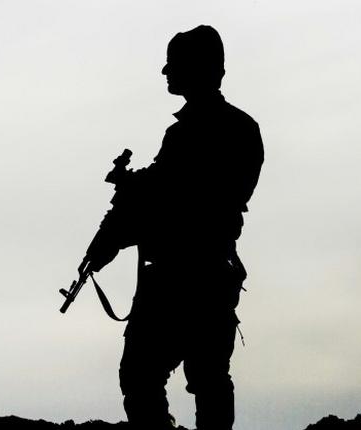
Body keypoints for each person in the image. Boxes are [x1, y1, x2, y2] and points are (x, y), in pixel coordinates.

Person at [79, 25, 264, 430]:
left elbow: (175, 200)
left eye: (173, 64)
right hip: (212, 277)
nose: (165, 72)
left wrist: (129, 205)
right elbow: (171, 192)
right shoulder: (241, 129)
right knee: (209, 380)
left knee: (145, 376)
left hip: (181, 279)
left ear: (196, 69)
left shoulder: (189, 134)